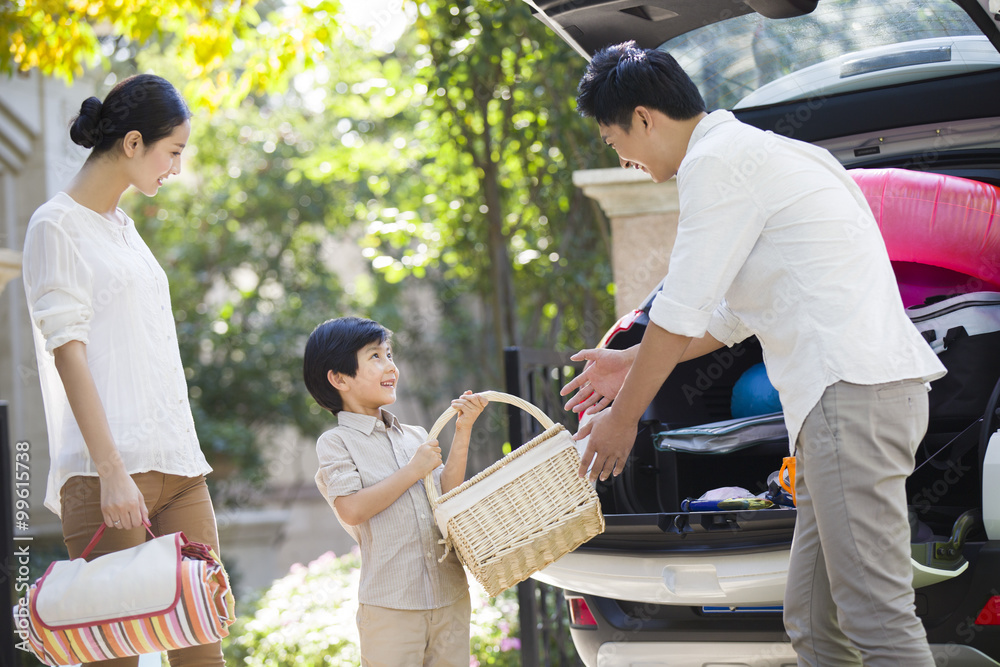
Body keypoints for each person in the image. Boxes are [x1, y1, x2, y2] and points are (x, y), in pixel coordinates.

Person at [561, 42, 946, 667]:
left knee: (875, 617)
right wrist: (629, 361)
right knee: (815, 622)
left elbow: (681, 306)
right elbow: (729, 318)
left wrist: (624, 417)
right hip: (857, 398)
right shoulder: (777, 154)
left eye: (613, 143)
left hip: (851, 399)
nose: (624, 160)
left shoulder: (719, 163)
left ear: (643, 117)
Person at [22, 74, 225, 667]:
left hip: (179, 467)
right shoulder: (54, 225)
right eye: (174, 152)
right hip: (109, 476)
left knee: (203, 654)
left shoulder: (125, 228)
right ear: (133, 143)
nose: (176, 169)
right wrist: (112, 473)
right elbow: (69, 353)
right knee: (115, 658)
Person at [303, 316, 487, 667]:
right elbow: (351, 510)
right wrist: (412, 471)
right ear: (339, 378)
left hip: (450, 596)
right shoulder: (336, 443)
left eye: (389, 354)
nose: (391, 366)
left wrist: (462, 431)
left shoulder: (416, 435)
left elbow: (446, 497)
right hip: (391, 607)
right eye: (375, 356)